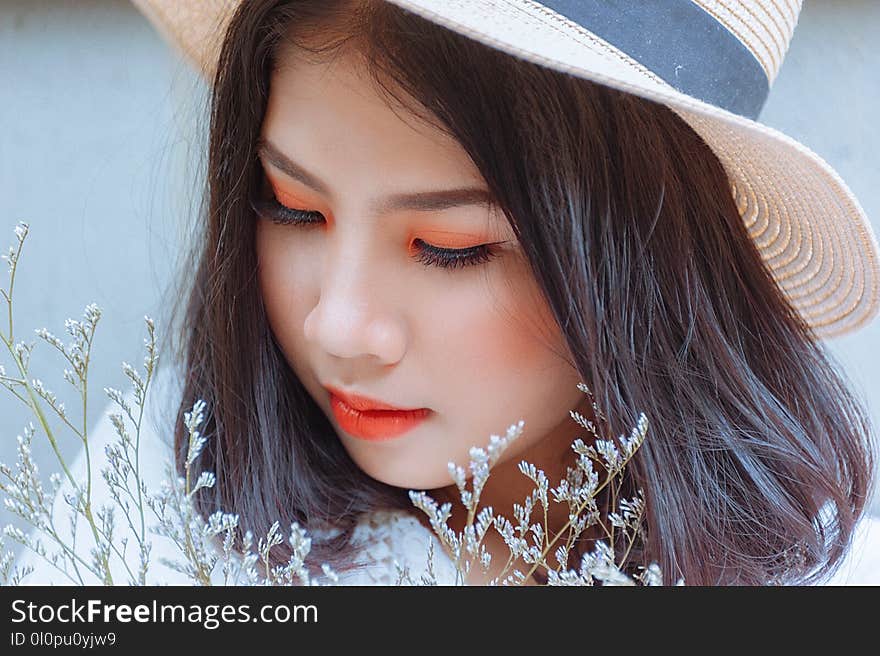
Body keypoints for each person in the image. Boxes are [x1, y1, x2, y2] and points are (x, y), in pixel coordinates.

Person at [18, 0, 880, 585]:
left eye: (448, 247)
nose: (340, 324)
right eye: (292, 207)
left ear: (647, 259)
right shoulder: (161, 496)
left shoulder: (828, 586)